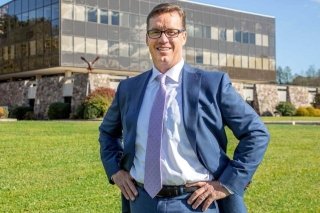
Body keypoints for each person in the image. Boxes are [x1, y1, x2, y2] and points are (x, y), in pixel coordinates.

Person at [99, 3, 270, 213]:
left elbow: (256, 133)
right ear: (146, 38)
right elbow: (107, 132)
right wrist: (115, 170)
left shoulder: (212, 85)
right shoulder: (129, 89)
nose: (163, 39)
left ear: (184, 37)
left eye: (172, 32)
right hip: (141, 201)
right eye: (155, 32)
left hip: (196, 204)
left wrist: (227, 183)